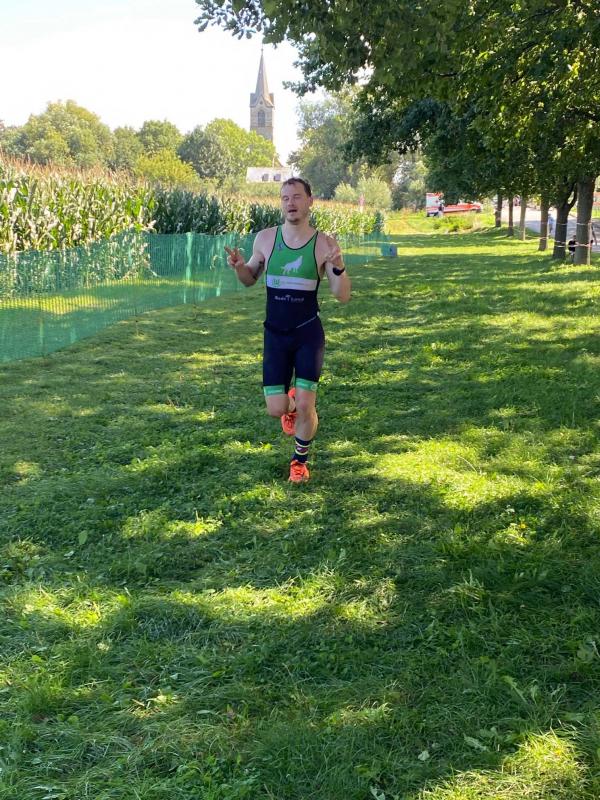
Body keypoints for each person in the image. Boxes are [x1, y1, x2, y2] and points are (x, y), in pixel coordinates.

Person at [225, 177, 351, 483]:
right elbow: (249, 279)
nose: (290, 203)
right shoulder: (266, 239)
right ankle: (290, 405)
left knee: (308, 405)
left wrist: (338, 266)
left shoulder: (324, 244)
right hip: (275, 334)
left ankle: (299, 461)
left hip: (308, 334)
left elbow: (342, 294)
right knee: (276, 408)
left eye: (296, 197)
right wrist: (240, 267)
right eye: (285, 198)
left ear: (310, 201)